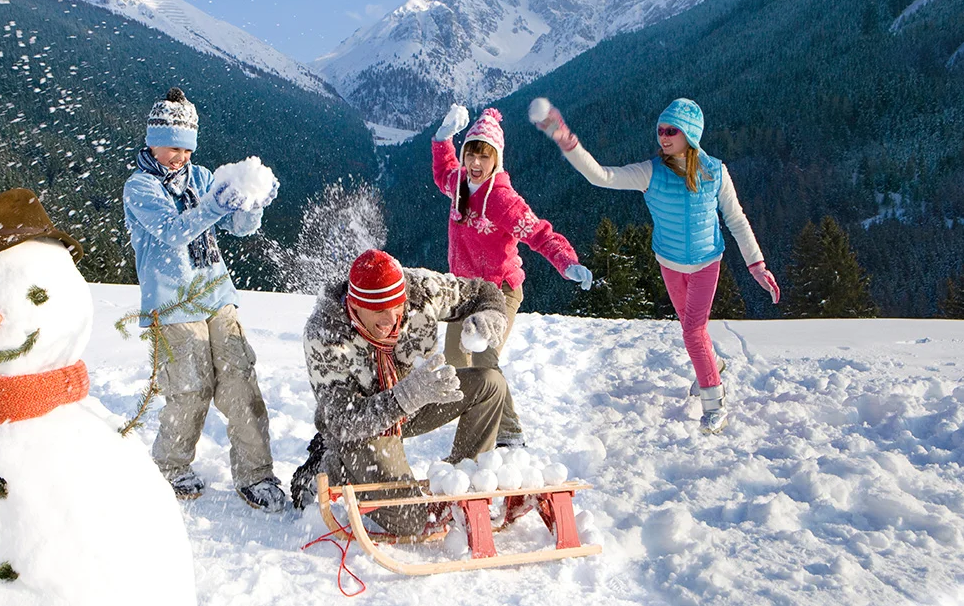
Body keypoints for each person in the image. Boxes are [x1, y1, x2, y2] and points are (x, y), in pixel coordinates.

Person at [530, 96, 780, 434]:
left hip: (707, 263)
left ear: (690, 134)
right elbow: (601, 176)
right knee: (693, 330)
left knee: (692, 332)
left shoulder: (715, 172)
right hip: (669, 264)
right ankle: (712, 364)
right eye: (660, 130)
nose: (663, 136)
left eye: (671, 131)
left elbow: (736, 220)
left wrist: (757, 265)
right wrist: (565, 139)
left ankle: (715, 402)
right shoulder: (651, 172)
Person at [123, 87, 285, 511]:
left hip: (216, 295)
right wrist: (215, 205)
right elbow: (174, 232)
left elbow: (238, 228)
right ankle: (171, 466)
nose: (180, 156)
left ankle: (256, 472)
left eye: (187, 149)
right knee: (191, 387)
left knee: (240, 383)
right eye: (172, 147)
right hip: (171, 302)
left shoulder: (200, 178)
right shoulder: (140, 187)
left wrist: (252, 206)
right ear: (152, 141)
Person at [296, 249, 511, 534]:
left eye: (396, 307)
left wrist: (492, 313)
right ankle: (333, 465)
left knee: (490, 384)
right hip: (361, 428)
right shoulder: (325, 334)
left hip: (419, 398)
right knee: (412, 521)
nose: (389, 319)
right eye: (378, 311)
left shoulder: (421, 291)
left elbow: (482, 291)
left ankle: (462, 483)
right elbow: (342, 421)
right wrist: (405, 397)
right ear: (355, 305)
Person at [431, 105, 592, 447]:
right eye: (471, 154)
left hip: (499, 291)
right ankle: (479, 411)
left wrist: (566, 262)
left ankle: (509, 432)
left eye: (484, 156)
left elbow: (539, 234)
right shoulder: (459, 184)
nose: (476, 163)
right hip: (463, 290)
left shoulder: (502, 201)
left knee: (484, 358)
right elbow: (443, 171)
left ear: (497, 160)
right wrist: (443, 137)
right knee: (457, 360)